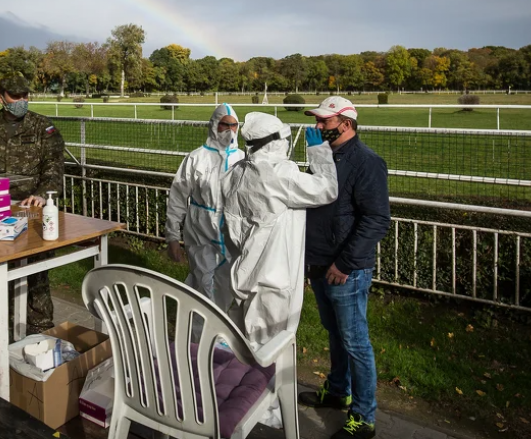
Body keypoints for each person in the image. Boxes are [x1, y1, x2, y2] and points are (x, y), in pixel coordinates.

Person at [297, 97, 390, 439]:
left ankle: (364, 417)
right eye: (318, 122)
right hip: (320, 263)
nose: (318, 127)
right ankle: (338, 392)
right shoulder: (324, 157)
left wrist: (345, 262)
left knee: (355, 341)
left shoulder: (367, 163)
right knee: (334, 333)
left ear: (346, 123)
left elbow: (377, 220)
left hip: (345, 268)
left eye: (324, 122)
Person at [221, 112, 338, 346]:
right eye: (285, 138)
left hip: (244, 271)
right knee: (266, 352)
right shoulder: (279, 174)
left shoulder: (235, 172)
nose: (287, 143)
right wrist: (319, 151)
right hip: (273, 281)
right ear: (273, 141)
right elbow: (327, 189)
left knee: (242, 340)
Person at [0, 73, 65, 334]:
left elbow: (54, 165)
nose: (22, 100)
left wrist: (44, 193)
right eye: (15, 96)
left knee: (37, 271)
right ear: (1, 98)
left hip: (32, 209)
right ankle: (7, 325)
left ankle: (40, 326)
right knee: (1, 267)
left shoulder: (43, 126)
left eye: (25, 95)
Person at [165, 104, 244, 314]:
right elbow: (177, 198)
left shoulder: (243, 159)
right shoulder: (196, 158)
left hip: (232, 235)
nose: (229, 130)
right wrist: (172, 236)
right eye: (224, 125)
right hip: (201, 232)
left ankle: (221, 335)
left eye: (234, 125)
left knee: (228, 286)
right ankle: (200, 338)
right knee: (204, 284)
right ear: (214, 126)